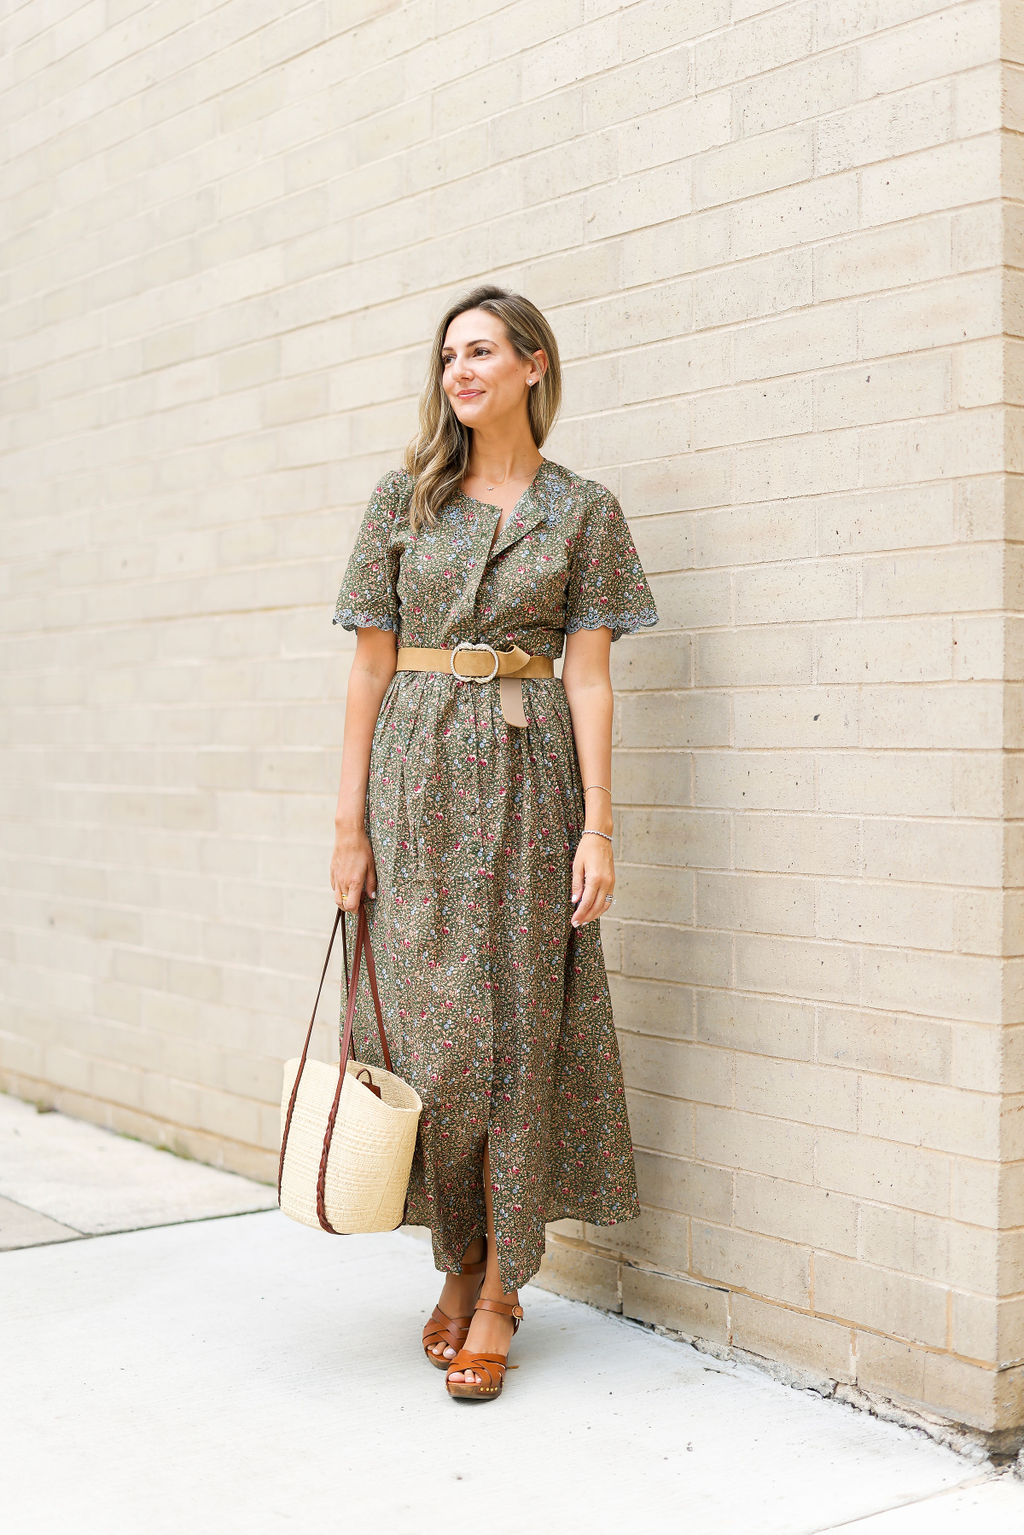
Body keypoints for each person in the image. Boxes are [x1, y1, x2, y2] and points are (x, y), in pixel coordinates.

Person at [328, 283, 659, 1401]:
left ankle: (500, 1285)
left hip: (530, 778)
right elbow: (369, 666)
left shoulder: (584, 509)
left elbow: (593, 677)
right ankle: (459, 1252)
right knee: (434, 1036)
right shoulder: (401, 501)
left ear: (531, 363)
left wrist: (600, 826)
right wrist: (346, 827)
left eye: (480, 351)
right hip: (415, 777)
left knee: (518, 1025)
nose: (459, 370)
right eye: (447, 356)